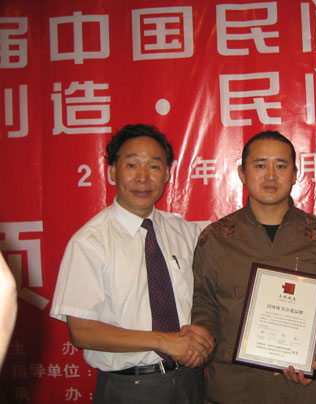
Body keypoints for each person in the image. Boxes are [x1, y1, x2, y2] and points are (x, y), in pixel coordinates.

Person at [192, 130, 316, 404]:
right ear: (242, 173)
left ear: (295, 175)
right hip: (232, 388)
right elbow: (202, 301)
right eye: (260, 165)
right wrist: (203, 337)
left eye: (281, 166)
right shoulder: (216, 238)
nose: (271, 176)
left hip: (304, 390)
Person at [50, 124, 214, 404]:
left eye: (154, 166)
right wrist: (162, 340)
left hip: (190, 380)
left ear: (167, 174)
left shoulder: (184, 232)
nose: (142, 177)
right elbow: (82, 332)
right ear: (113, 172)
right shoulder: (90, 242)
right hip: (129, 387)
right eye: (132, 165)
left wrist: (202, 333)